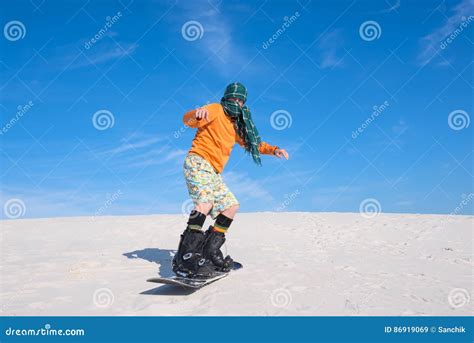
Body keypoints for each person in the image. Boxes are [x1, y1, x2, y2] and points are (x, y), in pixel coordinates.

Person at [172, 82, 289, 278]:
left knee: (231, 206)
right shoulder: (216, 109)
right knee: (205, 203)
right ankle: (186, 256)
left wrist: (273, 149)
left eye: (241, 100)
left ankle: (209, 252)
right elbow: (188, 120)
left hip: (214, 172)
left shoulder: (235, 126)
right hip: (198, 161)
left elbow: (255, 144)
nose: (237, 103)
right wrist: (197, 113)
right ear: (227, 98)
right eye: (234, 98)